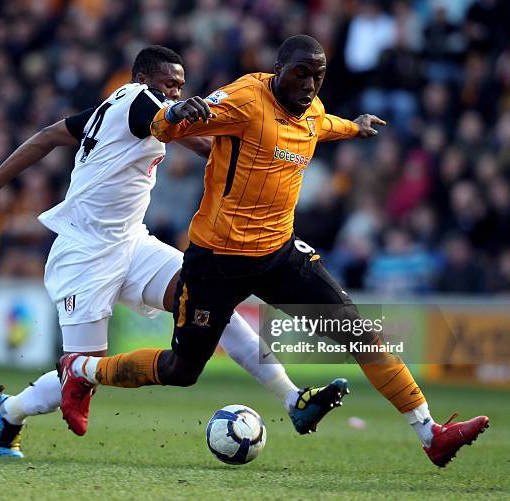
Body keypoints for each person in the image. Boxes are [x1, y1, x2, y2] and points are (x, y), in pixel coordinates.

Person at [60, 36, 489, 468]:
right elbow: (166, 128)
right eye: (300, 73)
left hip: (279, 256)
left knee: (360, 334)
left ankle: (430, 432)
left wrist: (354, 126)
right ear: (278, 68)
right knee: (181, 371)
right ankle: (82, 370)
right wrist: (173, 114)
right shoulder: (244, 98)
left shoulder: (313, 110)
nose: (309, 85)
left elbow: (324, 126)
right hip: (216, 262)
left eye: (317, 77)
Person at [0, 46, 348, 458]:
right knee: (82, 373)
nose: (175, 93)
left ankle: (292, 399)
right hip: (85, 254)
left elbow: (50, 136)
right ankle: (10, 411)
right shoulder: (140, 101)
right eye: (169, 85)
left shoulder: (117, 107)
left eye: (180, 86)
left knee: (213, 303)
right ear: (142, 80)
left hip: (133, 244)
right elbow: (170, 120)